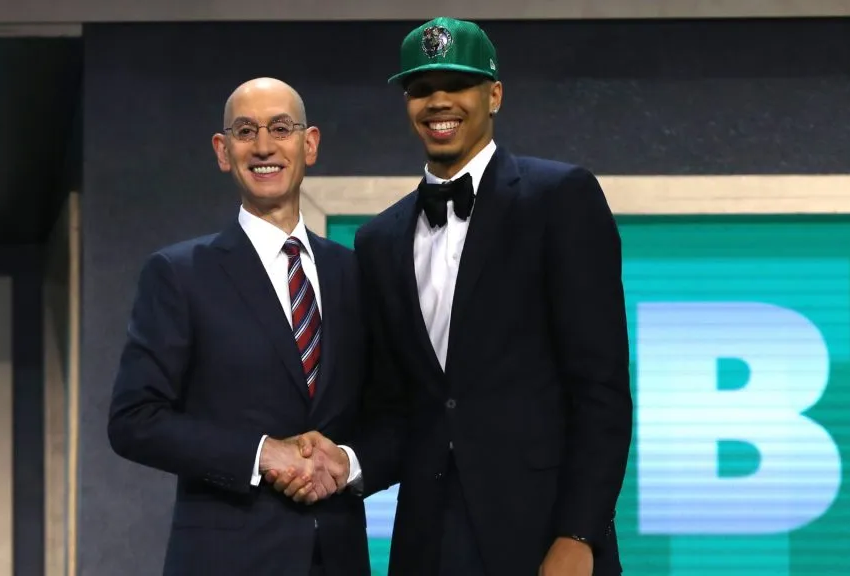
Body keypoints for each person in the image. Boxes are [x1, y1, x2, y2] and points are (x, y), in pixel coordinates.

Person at [268, 16, 633, 576]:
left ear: (494, 95)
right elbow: (398, 408)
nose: (439, 102)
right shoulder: (379, 239)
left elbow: (600, 389)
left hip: (544, 538)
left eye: (457, 85)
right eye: (420, 88)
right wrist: (345, 462)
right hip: (427, 542)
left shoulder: (560, 198)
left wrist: (578, 533)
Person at [107, 77, 371, 576]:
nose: (265, 146)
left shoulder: (354, 274)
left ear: (309, 143)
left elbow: (394, 415)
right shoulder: (180, 274)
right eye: (246, 131)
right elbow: (133, 420)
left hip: (338, 559)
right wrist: (262, 455)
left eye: (280, 128)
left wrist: (346, 463)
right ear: (223, 151)